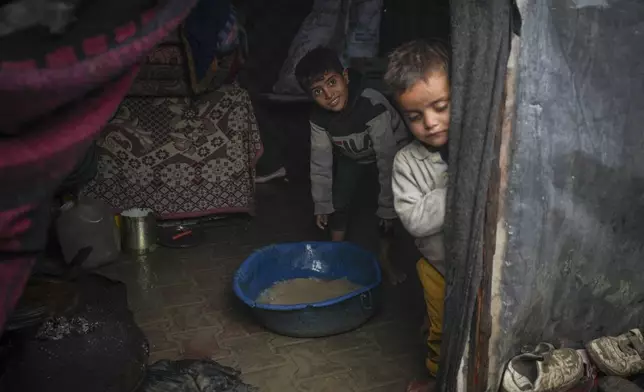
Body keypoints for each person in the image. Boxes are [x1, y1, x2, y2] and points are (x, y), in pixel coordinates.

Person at [295, 46, 408, 284]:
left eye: (332, 82)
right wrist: (322, 204)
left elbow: (387, 160)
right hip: (353, 155)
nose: (328, 94)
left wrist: (387, 208)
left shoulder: (371, 103)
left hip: (393, 155)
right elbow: (320, 161)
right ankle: (336, 256)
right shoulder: (318, 118)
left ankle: (386, 260)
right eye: (318, 90)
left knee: (390, 211)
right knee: (338, 202)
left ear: (345, 77)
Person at [384, 40, 450, 392]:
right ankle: (436, 378)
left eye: (441, 107)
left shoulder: (481, 141)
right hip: (438, 267)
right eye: (414, 116)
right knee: (441, 330)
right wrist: (457, 189)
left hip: (484, 269)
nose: (431, 122)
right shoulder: (406, 162)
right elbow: (415, 220)